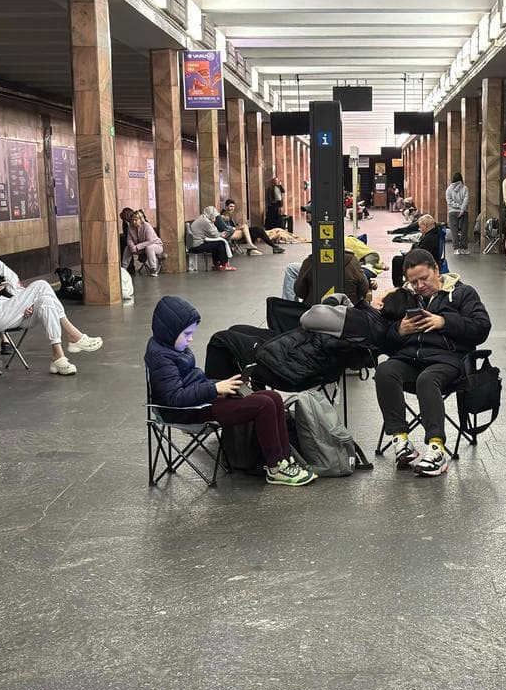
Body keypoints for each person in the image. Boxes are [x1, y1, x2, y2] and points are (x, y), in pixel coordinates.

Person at [145, 295, 318, 486]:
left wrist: (223, 385)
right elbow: (174, 398)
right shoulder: (161, 358)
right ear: (170, 331)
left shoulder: (173, 347)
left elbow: (191, 382)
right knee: (263, 405)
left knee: (273, 397)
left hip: (200, 401)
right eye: (186, 334)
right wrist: (214, 388)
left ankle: (284, 460)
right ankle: (275, 468)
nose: (191, 339)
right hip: (183, 412)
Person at [376, 249, 491, 477]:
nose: (419, 285)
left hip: (448, 361)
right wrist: (399, 331)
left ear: (437, 269)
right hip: (410, 358)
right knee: (385, 370)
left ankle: (436, 449)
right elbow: (383, 342)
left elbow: (481, 328)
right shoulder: (403, 297)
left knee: (427, 380)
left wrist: (444, 322)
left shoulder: (462, 294)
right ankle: (401, 441)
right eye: (413, 281)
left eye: (423, 278)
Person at [0, 233, 103, 376]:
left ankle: (58, 356)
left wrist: (28, 303)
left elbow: (17, 287)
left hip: (7, 309)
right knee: (41, 285)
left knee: (46, 301)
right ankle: (74, 335)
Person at [293, 248, 371, 305]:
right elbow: (363, 288)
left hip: (314, 312)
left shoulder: (310, 261)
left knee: (291, 268)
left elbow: (300, 292)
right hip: (346, 313)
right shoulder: (352, 260)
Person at [390, 214, 444, 287]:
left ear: (425, 225)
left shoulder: (429, 239)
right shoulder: (434, 233)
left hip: (424, 261)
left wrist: (410, 252)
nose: (419, 229)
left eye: (420, 227)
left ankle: (398, 285)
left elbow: (419, 253)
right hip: (426, 257)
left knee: (397, 261)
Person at [188, 206, 235, 271]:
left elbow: (211, 234)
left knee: (216, 244)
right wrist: (213, 222)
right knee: (220, 244)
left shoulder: (203, 218)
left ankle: (217, 264)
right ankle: (224, 265)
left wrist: (218, 234)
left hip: (195, 243)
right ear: (211, 214)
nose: (215, 218)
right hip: (197, 246)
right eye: (214, 216)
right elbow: (214, 234)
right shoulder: (206, 221)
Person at [124, 209, 166, 276]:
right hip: (141, 248)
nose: (133, 222)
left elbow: (150, 241)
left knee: (149, 247)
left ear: (140, 219)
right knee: (127, 248)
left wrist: (137, 247)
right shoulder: (130, 227)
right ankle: (123, 269)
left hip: (156, 246)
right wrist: (132, 247)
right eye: (132, 220)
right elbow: (129, 239)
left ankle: (153, 269)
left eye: (135, 220)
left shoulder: (147, 226)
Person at [445, 172, 470, 255]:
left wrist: (456, 206)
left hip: (452, 212)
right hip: (464, 212)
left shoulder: (449, 189)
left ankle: (456, 249)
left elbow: (449, 201)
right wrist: (461, 209)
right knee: (464, 230)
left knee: (454, 231)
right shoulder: (465, 188)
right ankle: (464, 248)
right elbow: (466, 200)